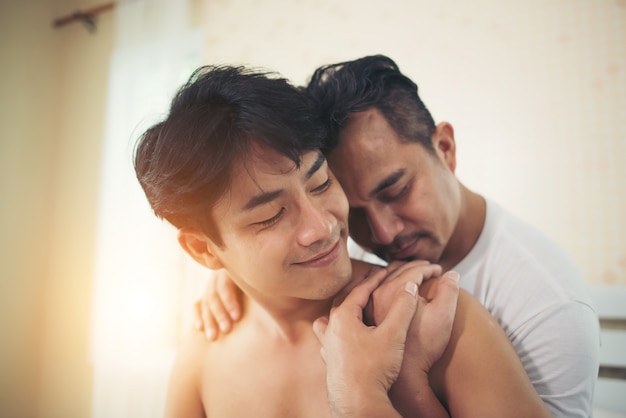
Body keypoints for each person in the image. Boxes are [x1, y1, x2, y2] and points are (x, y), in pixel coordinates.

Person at [134, 64, 550, 417]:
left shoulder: (434, 318)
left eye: (320, 183)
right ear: (204, 249)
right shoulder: (204, 351)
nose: (323, 228)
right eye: (271, 216)